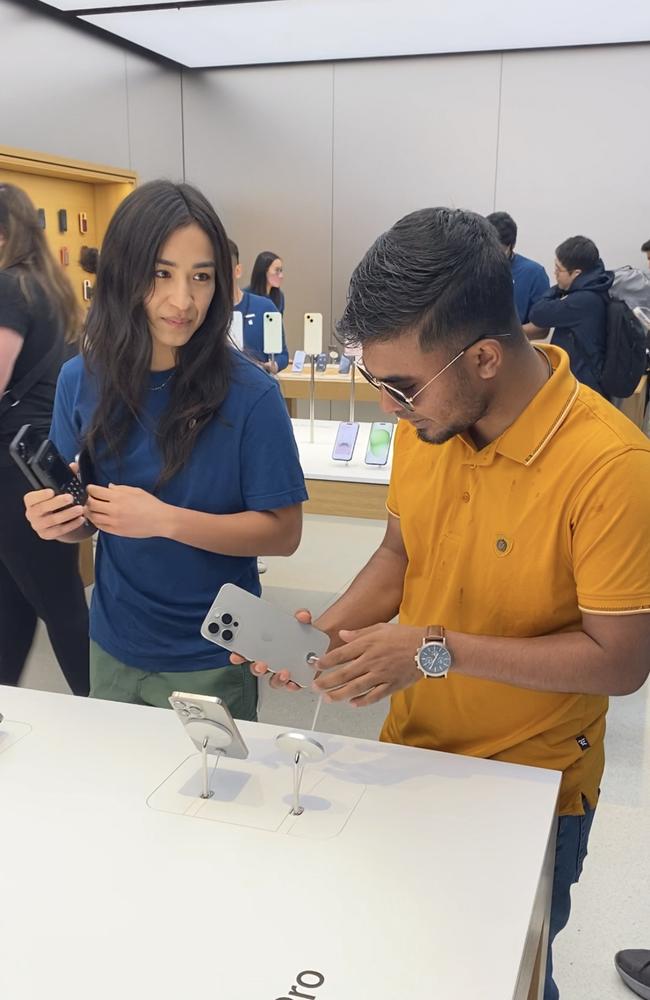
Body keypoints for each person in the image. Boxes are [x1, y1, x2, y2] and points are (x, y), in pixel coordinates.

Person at [243, 208, 650, 1000]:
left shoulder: (612, 468)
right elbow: (400, 553)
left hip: (531, 789)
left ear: (486, 357)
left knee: (507, 977)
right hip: (405, 756)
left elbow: (623, 663)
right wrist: (325, 632)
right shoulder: (426, 421)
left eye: (400, 386)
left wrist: (432, 649)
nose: (390, 407)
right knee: (400, 952)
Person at [24, 180, 307, 720]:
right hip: (112, 638)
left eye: (201, 277)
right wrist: (62, 521)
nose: (183, 301)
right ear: (126, 273)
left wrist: (166, 520)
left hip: (213, 650)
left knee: (213, 799)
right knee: (120, 794)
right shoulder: (79, 380)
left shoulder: (252, 395)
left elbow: (284, 533)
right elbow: (91, 518)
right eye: (161, 274)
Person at [0, 183, 89, 695]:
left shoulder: (9, 288)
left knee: (56, 606)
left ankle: (107, 716)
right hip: (39, 459)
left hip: (11, 473)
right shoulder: (47, 288)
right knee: (20, 603)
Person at [529, 236, 613, 395]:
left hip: (582, 388)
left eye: (558, 269)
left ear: (576, 273)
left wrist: (558, 290)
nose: (555, 273)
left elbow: (538, 314)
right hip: (581, 381)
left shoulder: (583, 300)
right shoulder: (595, 287)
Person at [486, 211, 550, 336]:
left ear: (511, 245)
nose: (491, 255)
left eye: (498, 250)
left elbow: (542, 329)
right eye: (487, 248)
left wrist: (505, 334)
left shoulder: (534, 273)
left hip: (513, 348)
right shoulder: (472, 267)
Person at [230, 240, 288, 373]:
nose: (281, 276)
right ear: (264, 272)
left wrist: (274, 364)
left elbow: (281, 350)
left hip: (260, 373)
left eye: (281, 271)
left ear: (238, 271)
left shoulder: (270, 303)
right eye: (277, 271)